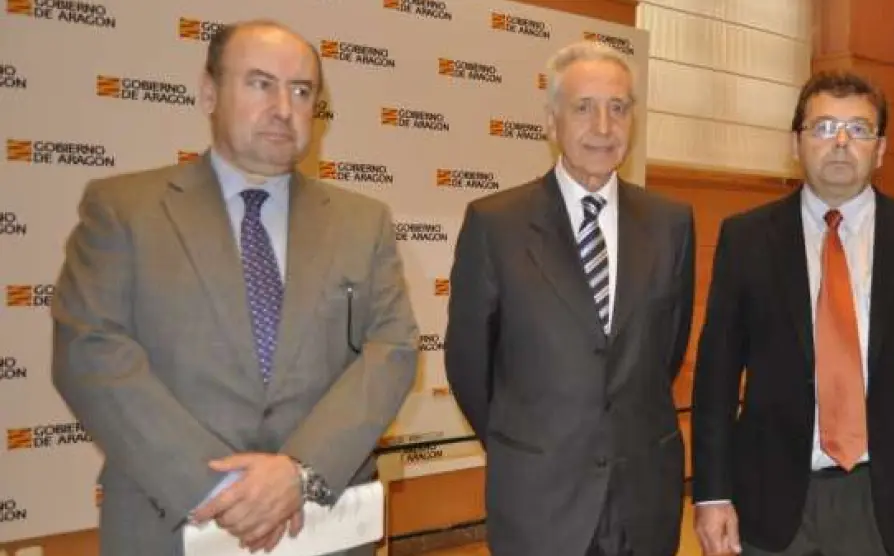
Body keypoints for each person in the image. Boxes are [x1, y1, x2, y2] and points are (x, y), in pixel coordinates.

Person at [51, 19, 418, 556]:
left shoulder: (364, 222)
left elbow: (392, 349)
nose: (283, 108)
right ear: (209, 92)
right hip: (172, 522)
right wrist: (220, 491)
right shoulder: (123, 211)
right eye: (260, 84)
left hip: (321, 525)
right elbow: (90, 353)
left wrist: (299, 471)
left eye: (301, 91)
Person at [691, 70, 894, 556]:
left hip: (884, 502)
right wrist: (712, 493)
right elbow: (715, 380)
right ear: (795, 143)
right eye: (823, 127)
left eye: (859, 129)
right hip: (769, 499)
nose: (841, 142)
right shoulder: (746, 239)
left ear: (880, 149)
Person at [444, 41, 695, 556]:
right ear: (550, 121)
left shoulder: (670, 224)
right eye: (584, 108)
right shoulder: (496, 225)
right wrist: (529, 445)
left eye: (618, 107)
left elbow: (665, 354)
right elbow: (469, 366)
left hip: (642, 500)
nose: (603, 126)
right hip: (539, 502)